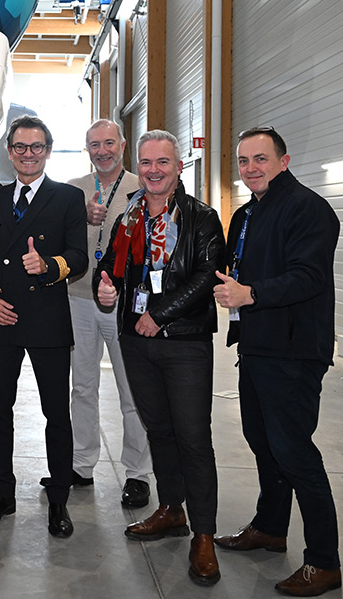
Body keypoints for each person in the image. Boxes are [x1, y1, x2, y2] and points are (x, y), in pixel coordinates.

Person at [212, 126, 342, 597]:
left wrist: (251, 294)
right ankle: (270, 527)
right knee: (263, 442)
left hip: (294, 352)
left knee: (294, 452)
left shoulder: (309, 209)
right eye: (244, 160)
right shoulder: (247, 213)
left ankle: (324, 562)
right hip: (257, 346)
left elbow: (308, 277)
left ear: (283, 162)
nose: (251, 168)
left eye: (261, 159)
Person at [94, 129, 225, 586]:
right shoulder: (129, 216)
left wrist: (159, 314)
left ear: (178, 167)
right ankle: (171, 509)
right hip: (137, 341)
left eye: (162, 162)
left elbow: (208, 275)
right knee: (160, 430)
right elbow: (109, 267)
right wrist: (104, 288)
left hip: (184, 342)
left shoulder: (201, 217)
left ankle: (204, 535)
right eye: (146, 162)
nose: (153, 170)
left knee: (193, 437)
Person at [0, 115, 88, 539]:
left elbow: (79, 257)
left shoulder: (67, 197)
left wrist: (48, 266)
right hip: (1, 318)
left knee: (56, 413)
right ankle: (3, 494)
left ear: (48, 151)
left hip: (46, 320)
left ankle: (58, 499)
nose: (28, 154)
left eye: (37, 147)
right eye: (20, 147)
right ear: (9, 152)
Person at [65, 119, 152, 506]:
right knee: (82, 387)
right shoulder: (73, 190)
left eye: (109, 143)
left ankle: (138, 472)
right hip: (78, 298)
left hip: (123, 303)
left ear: (123, 145)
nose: (102, 151)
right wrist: (80, 217)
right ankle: (81, 464)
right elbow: (59, 240)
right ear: (87, 149)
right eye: (94, 144)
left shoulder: (142, 186)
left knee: (131, 390)